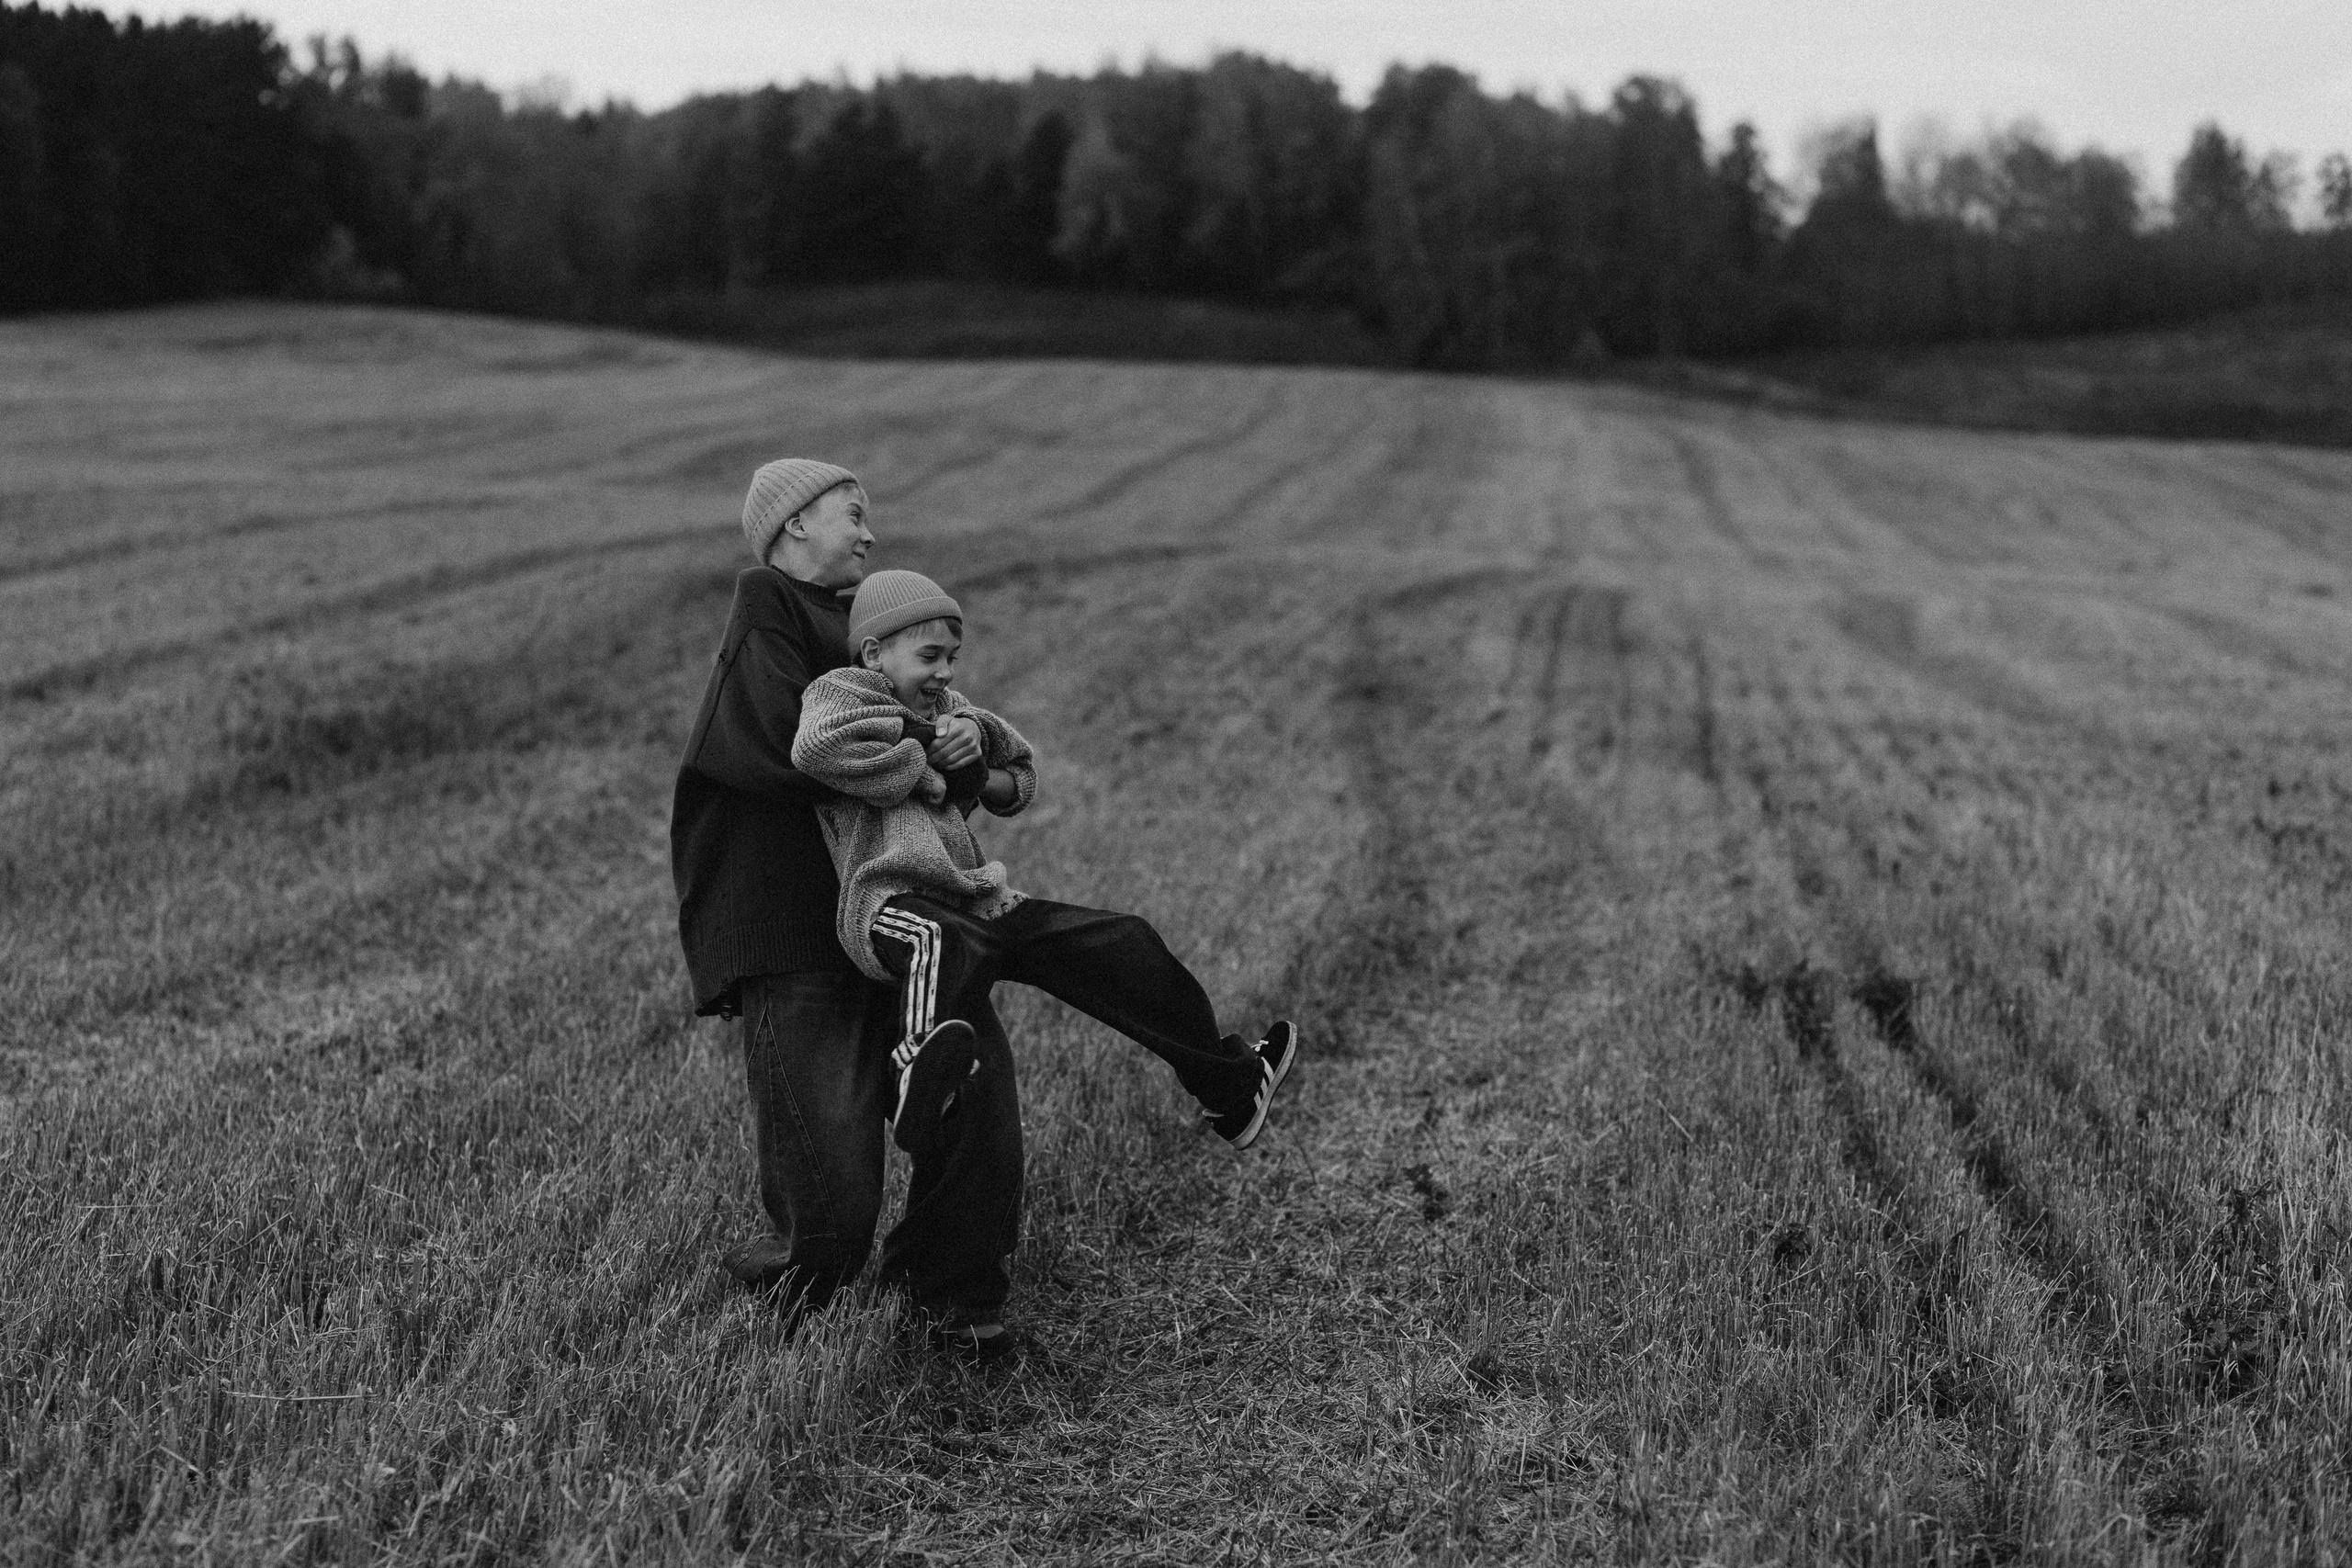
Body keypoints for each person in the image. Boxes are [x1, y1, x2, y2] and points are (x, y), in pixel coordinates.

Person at [670, 458, 1023, 1361]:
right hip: (791, 913)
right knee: (831, 1213)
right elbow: (795, 748)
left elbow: (942, 777)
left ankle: (957, 1287)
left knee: (971, 1079)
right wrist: (927, 750)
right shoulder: (769, 601)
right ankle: (797, 1276)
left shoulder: (875, 631)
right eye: (851, 515)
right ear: (793, 527)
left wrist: (965, 754)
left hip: (898, 898)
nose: (869, 533)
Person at [791, 569, 1299, 1157]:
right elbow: (818, 748)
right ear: (875, 653)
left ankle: (1230, 1086)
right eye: (930, 655)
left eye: (953, 657)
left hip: (974, 895)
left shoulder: (955, 710)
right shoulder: (842, 692)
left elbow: (1020, 777)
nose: (946, 673)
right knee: (943, 942)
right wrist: (928, 762)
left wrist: (976, 761)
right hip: (889, 905)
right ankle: (914, 1075)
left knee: (1123, 941)